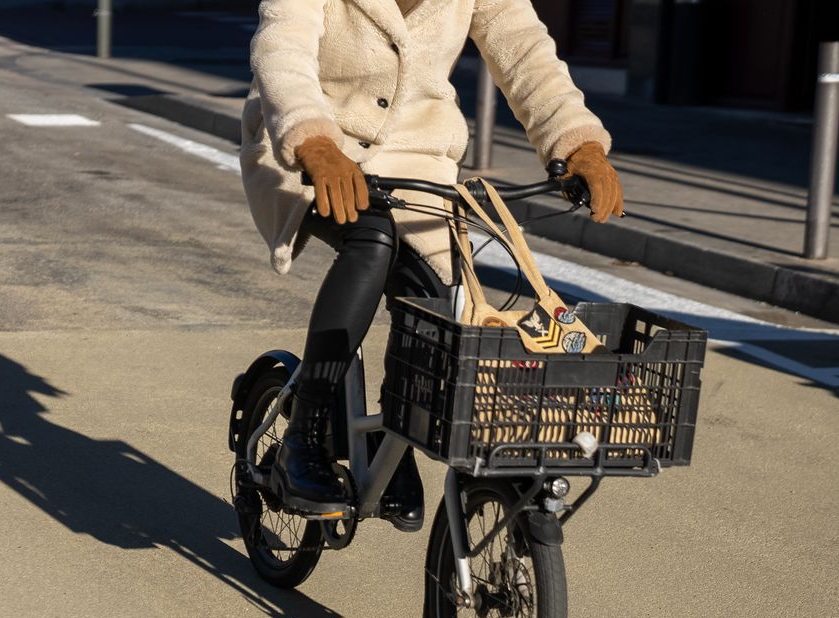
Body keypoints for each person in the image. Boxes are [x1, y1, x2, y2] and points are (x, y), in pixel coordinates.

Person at [240, 0, 625, 526]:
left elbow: (526, 54)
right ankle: (304, 438)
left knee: (444, 296)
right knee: (374, 239)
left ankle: (388, 431)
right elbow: (282, 47)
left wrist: (578, 143)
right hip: (315, 146)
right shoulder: (312, 138)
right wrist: (313, 140)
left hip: (417, 161)